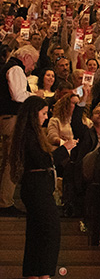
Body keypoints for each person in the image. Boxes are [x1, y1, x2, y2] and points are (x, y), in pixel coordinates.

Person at [7, 96, 58, 278]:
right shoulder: (29, 134)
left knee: (36, 233)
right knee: (49, 231)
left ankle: (34, 273)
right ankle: (43, 273)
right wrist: (64, 150)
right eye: (43, 113)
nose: (46, 117)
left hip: (36, 186)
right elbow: (41, 159)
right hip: (37, 186)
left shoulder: (28, 133)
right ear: (34, 114)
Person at [0, 44, 38, 215]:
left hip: (8, 119)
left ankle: (4, 200)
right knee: (12, 160)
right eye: (33, 62)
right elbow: (18, 95)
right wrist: (36, 96)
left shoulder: (11, 67)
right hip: (12, 120)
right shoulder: (16, 68)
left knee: (7, 160)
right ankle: (5, 202)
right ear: (26, 57)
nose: (33, 67)